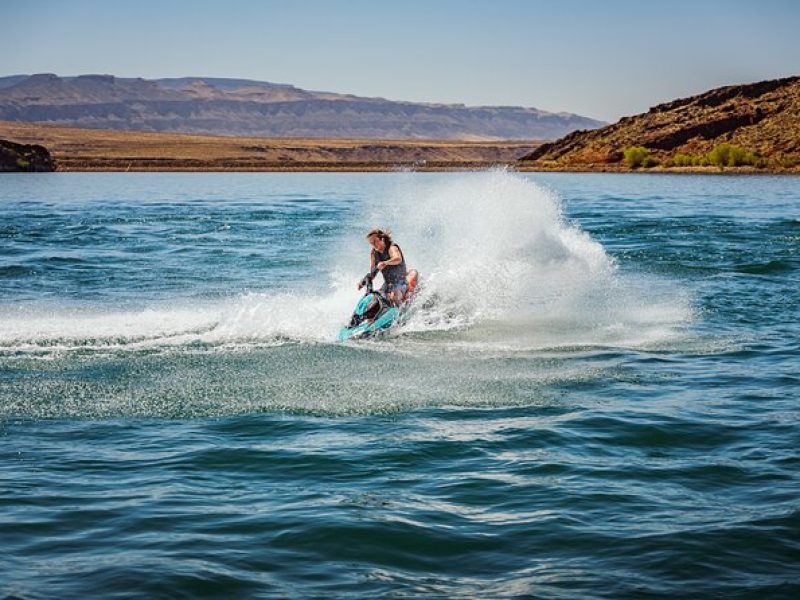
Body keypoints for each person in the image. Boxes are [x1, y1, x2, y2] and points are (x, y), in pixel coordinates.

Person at [359, 228, 408, 306]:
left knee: (394, 297)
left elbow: (398, 259)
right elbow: (373, 272)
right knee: (374, 300)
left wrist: (385, 263)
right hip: (387, 284)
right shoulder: (374, 253)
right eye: (371, 243)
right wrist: (363, 282)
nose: (373, 245)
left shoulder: (391, 247)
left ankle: (401, 314)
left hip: (400, 282)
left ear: (382, 239)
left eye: (375, 241)